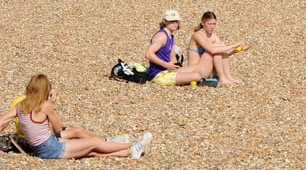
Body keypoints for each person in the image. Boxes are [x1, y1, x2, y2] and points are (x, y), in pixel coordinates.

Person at [0, 74, 153, 159]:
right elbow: (58, 129)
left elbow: (2, 121)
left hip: (41, 147)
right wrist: (53, 105)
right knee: (93, 142)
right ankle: (133, 145)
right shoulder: (45, 105)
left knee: (91, 151)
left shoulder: (20, 105)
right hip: (50, 147)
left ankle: (128, 152)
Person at [145, 10, 206, 86]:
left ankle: (193, 80)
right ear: (164, 21)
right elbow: (148, 54)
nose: (174, 24)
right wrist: (166, 64)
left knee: (198, 68)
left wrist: (176, 67)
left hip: (168, 70)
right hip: (159, 74)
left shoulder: (171, 36)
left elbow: (172, 56)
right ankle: (196, 80)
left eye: (176, 21)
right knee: (196, 76)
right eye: (171, 21)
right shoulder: (161, 36)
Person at [187, 12, 250, 86]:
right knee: (217, 46)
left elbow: (224, 53)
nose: (212, 27)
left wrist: (238, 49)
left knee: (220, 47)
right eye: (210, 24)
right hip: (197, 70)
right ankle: (222, 78)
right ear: (203, 23)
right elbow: (213, 50)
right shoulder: (197, 35)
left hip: (209, 71)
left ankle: (228, 77)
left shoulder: (214, 36)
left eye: (214, 24)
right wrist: (233, 45)